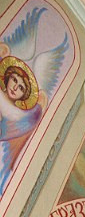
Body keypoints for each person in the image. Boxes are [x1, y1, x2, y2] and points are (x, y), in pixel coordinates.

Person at [0, 59, 42, 196]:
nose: (15, 87)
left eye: (21, 88)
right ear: (7, 78)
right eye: (14, 79)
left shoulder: (14, 118)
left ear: (24, 95)